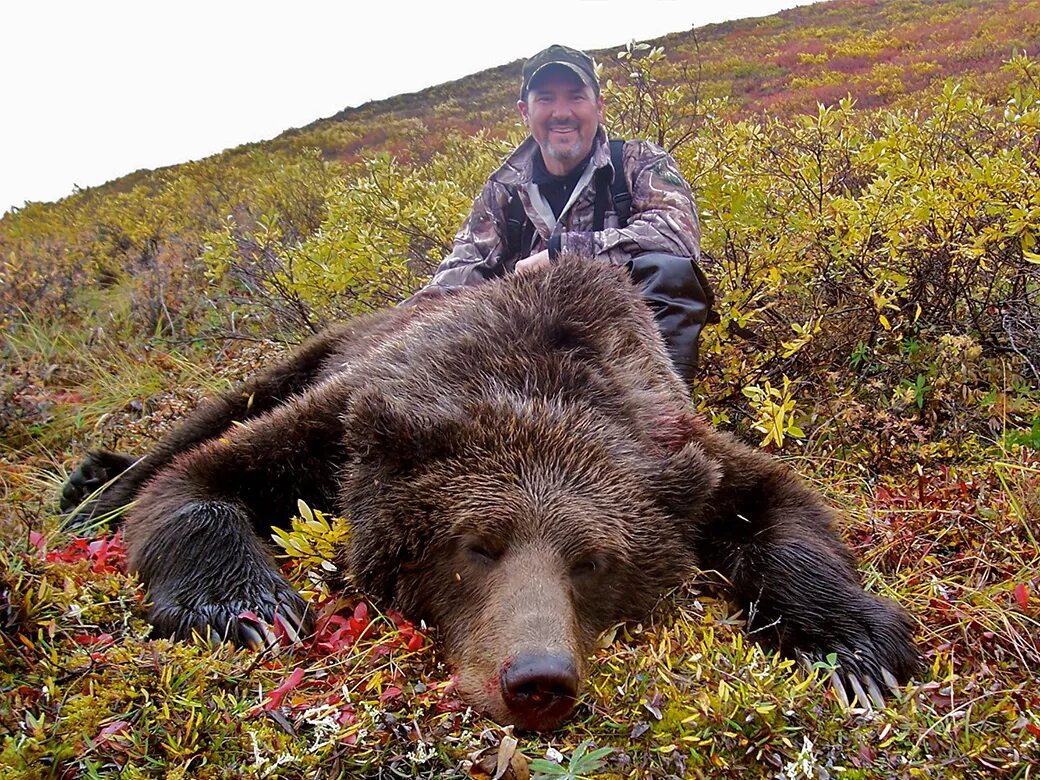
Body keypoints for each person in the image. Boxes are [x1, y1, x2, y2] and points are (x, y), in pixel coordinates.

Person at [411, 44, 713, 385]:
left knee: (669, 273)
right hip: (529, 353)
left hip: (623, 351)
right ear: (525, 111)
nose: (561, 112)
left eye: (575, 97)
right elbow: (458, 274)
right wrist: (393, 330)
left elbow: (676, 237)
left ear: (598, 106)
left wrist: (560, 254)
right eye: (546, 99)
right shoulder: (504, 191)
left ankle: (667, 415)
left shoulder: (638, 162)